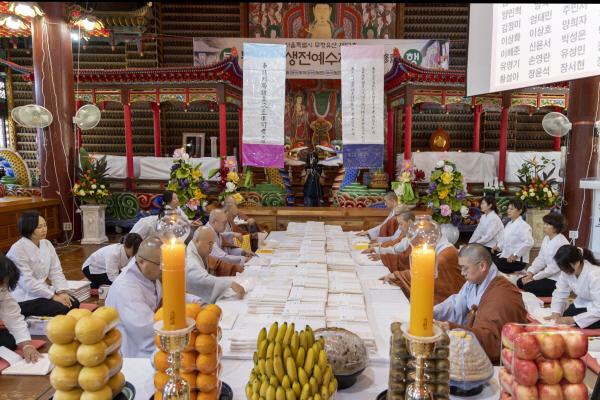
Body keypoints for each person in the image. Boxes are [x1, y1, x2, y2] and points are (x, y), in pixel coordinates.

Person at [434, 244, 528, 363]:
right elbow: (456, 304)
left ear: (482, 266)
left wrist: (450, 327)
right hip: (475, 339)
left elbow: (493, 340)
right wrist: (432, 312)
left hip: (500, 362)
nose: (462, 273)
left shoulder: (501, 294)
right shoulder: (473, 282)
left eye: (465, 268)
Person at [7, 211, 79, 317]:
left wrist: (61, 292)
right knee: (62, 308)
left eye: (45, 225)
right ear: (28, 228)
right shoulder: (17, 249)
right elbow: (28, 282)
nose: (44, 229)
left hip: (41, 292)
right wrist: (53, 296)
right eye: (39, 227)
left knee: (74, 303)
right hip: (23, 297)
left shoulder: (47, 244)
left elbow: (55, 271)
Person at [380, 235, 465, 305]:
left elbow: (426, 273)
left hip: (449, 299)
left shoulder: (447, 254)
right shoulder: (438, 248)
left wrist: (397, 276)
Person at [545, 245, 600, 329]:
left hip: (598, 307)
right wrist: (556, 312)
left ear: (577, 263)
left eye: (566, 268)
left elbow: (598, 308)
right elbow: (560, 291)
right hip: (583, 302)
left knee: (576, 324)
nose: (565, 271)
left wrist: (574, 319)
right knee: (564, 318)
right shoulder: (566, 270)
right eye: (563, 268)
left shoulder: (595, 275)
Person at [186, 226, 246, 303]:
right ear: (197, 241)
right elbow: (202, 278)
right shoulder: (190, 260)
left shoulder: (198, 251)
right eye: (209, 244)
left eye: (212, 244)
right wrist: (229, 284)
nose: (211, 248)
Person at [517, 213, 569, 297]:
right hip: (547, 276)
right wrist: (531, 272)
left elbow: (553, 268)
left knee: (528, 286)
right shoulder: (546, 238)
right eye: (544, 223)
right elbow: (541, 258)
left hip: (557, 280)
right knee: (520, 282)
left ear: (556, 227)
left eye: (548, 224)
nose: (544, 226)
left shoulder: (561, 243)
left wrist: (534, 278)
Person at [0, 254, 40, 363]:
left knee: (9, 342)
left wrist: (27, 344)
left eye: (4, 286)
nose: (3, 288)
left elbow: (14, 318)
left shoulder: (3, 292)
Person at [492, 199, 534, 273]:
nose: (508, 211)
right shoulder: (509, 224)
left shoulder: (523, 226)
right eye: (508, 208)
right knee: (487, 259)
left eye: (511, 209)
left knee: (492, 265)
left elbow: (529, 243)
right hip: (506, 256)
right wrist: (498, 246)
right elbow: (504, 239)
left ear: (520, 211)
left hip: (516, 261)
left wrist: (515, 255)